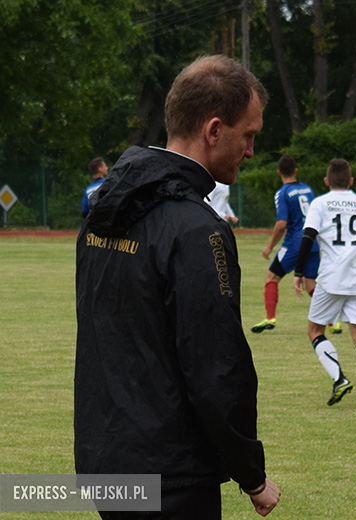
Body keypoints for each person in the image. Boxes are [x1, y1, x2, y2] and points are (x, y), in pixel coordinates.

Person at [75, 55, 280, 518]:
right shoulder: (196, 230)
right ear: (213, 131)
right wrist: (252, 473)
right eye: (248, 135)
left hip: (105, 462)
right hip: (171, 476)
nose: (250, 151)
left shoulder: (102, 213)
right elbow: (215, 366)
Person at [293, 158, 356, 411]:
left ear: (326, 181)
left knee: (315, 331)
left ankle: (340, 379)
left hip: (330, 282)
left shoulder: (320, 204)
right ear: (351, 181)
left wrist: (299, 272)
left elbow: (308, 237)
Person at [251, 154, 326, 333]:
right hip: (313, 242)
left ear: (278, 172)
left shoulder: (283, 193)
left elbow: (281, 224)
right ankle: (332, 321)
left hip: (295, 243)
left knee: (272, 277)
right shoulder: (308, 190)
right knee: (310, 284)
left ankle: (270, 318)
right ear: (296, 170)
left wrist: (270, 246)